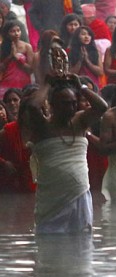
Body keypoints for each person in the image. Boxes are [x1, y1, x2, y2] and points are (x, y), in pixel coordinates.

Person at [25, 73, 108, 233]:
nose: (70, 107)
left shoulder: (80, 121)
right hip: (51, 200)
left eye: (73, 103)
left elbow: (102, 107)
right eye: (65, 103)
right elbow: (32, 107)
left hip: (79, 196)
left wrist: (80, 86)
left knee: (81, 246)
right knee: (48, 245)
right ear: (52, 105)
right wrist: (47, 84)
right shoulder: (43, 126)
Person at [0, 22, 33, 99]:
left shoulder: (27, 47)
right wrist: (10, 56)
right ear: (7, 34)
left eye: (18, 30)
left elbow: (30, 70)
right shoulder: (3, 48)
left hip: (23, 83)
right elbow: (1, 68)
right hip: (7, 83)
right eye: (13, 31)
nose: (16, 33)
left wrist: (17, 59)